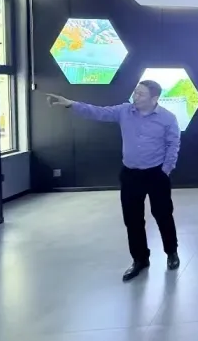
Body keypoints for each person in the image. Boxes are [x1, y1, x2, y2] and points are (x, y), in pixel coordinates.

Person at [46, 81, 181, 282]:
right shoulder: (124, 111)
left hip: (156, 174)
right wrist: (70, 104)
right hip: (130, 175)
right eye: (135, 92)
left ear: (154, 98)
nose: (135, 96)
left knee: (163, 215)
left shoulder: (167, 118)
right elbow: (98, 112)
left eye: (141, 94)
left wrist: (165, 170)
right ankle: (140, 259)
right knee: (132, 220)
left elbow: (173, 144)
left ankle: (171, 252)